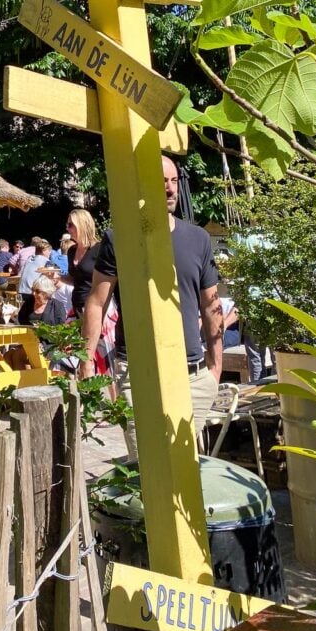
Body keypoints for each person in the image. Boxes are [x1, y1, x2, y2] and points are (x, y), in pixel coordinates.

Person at [80, 156, 223, 458]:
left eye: (173, 182)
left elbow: (211, 306)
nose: (170, 190)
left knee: (185, 467)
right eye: (161, 182)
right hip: (139, 373)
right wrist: (86, 361)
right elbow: (97, 301)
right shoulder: (120, 238)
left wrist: (215, 369)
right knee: (145, 467)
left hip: (193, 376)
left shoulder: (198, 239)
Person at [64, 209, 101, 319]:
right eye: (67, 224)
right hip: (77, 306)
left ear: (82, 225)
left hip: (95, 307)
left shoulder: (99, 249)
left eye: (70, 225)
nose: (67, 228)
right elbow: (74, 279)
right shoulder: (71, 251)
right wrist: (57, 277)